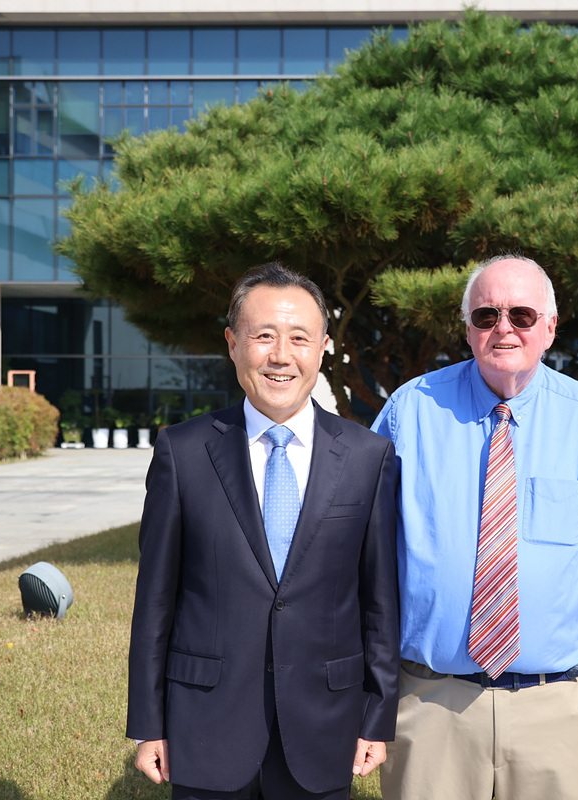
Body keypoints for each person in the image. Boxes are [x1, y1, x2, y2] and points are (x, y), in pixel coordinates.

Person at [372, 254, 578, 800]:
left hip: (558, 709)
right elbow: (365, 547)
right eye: (486, 316)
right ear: (467, 329)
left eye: (522, 315)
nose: (504, 328)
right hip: (429, 702)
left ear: (550, 327)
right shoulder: (410, 412)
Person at [126, 262, 400, 800]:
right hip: (206, 722)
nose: (281, 355)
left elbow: (379, 604)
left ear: (323, 348)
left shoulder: (369, 456)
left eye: (299, 337)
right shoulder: (182, 452)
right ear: (232, 344)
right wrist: (149, 722)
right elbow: (155, 600)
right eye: (263, 336)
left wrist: (378, 715)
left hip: (325, 722)